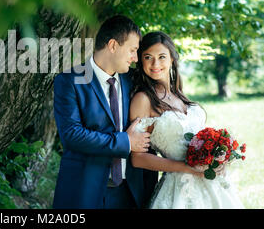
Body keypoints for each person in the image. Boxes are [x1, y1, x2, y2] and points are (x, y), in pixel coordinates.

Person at [130, 31, 244, 209]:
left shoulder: (178, 95)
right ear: (141, 61)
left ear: (172, 59)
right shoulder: (143, 100)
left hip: (210, 184)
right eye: (148, 57)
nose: (155, 64)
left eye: (162, 57)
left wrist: (217, 157)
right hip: (179, 188)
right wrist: (188, 168)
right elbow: (138, 158)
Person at [52, 15, 157, 209]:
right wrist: (126, 141)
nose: (135, 58)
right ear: (113, 45)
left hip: (129, 192)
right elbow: (71, 135)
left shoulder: (133, 80)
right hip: (84, 191)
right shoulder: (69, 81)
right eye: (133, 50)